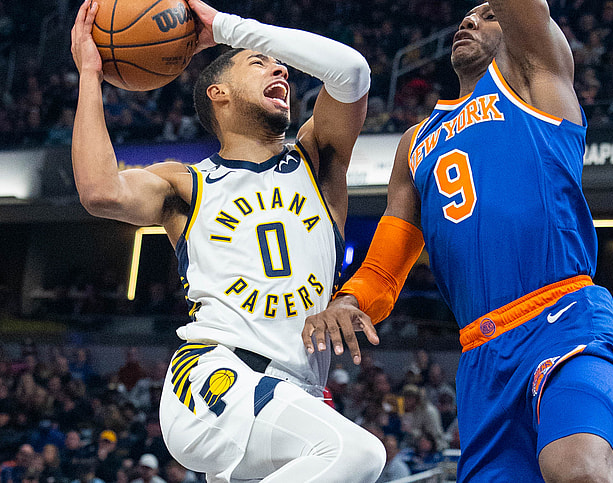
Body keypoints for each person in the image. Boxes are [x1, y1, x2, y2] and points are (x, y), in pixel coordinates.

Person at [304, 1, 613, 481]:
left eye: (489, 15)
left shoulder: (535, 82)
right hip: (481, 354)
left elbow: (528, 11)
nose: (470, 20)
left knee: (576, 469)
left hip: (562, 317)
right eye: (467, 16)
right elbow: (384, 268)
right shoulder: (414, 142)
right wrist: (349, 300)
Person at [69, 1, 385, 482]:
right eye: (258, 61)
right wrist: (91, 75)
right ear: (218, 94)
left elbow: (352, 72)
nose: (280, 67)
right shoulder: (187, 183)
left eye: (277, 62)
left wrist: (230, 29)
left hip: (293, 396)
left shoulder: (317, 160)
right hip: (217, 375)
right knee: (358, 453)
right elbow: (100, 191)